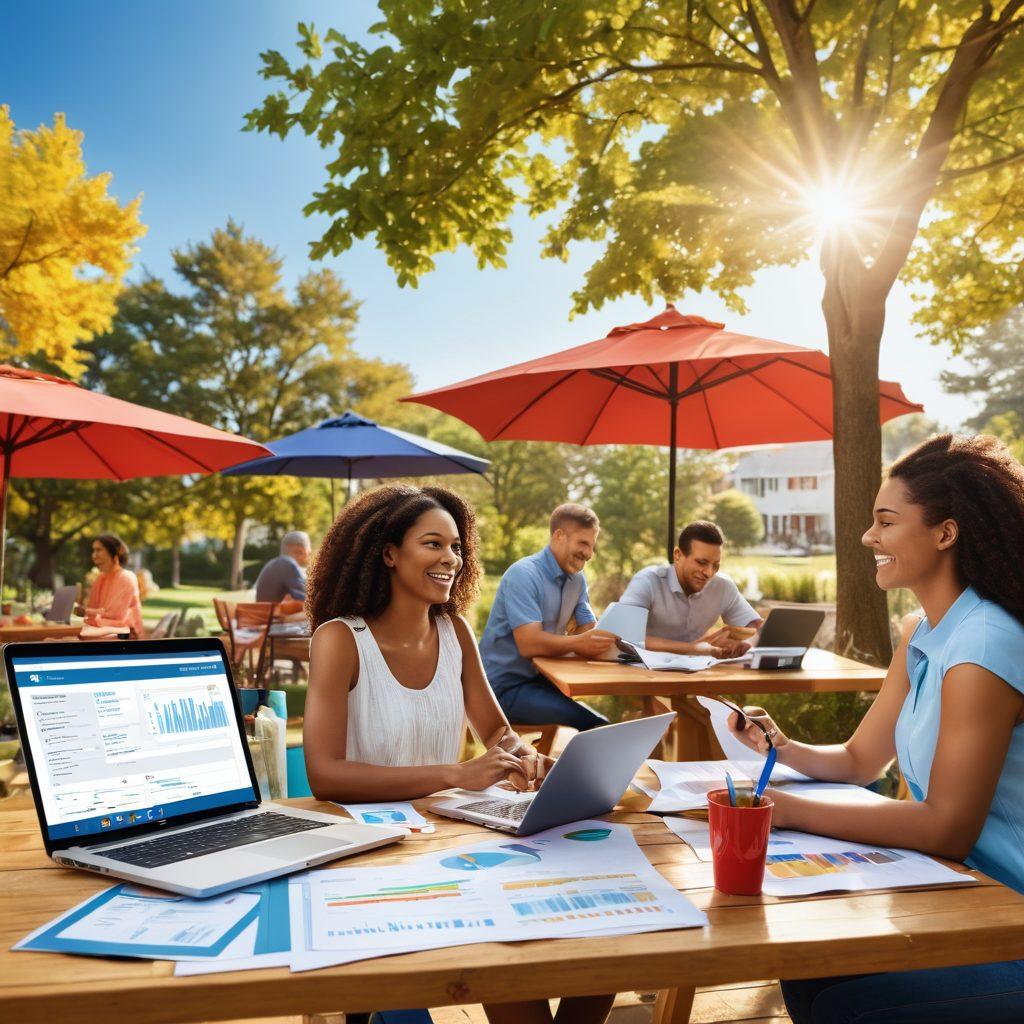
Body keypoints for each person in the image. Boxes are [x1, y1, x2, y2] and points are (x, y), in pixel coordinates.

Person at [727, 434, 1024, 1024]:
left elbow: (946, 827)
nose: (868, 537)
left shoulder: (985, 644)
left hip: (1008, 913)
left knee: (849, 1005)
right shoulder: (921, 632)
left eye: (886, 522)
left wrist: (781, 810)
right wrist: (783, 746)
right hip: (957, 892)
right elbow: (861, 760)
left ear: (946, 532)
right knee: (807, 961)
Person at [303, 485, 614, 1024]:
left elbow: (495, 729)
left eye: (456, 546)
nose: (451, 558)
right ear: (388, 553)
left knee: (607, 945)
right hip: (370, 855)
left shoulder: (454, 632)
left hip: (447, 841)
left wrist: (523, 759)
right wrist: (456, 774)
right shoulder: (341, 639)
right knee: (503, 951)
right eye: (432, 544)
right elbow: (325, 775)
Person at [480, 503, 615, 732]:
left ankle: (565, 768)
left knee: (601, 725)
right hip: (500, 688)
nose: (589, 554)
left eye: (592, 546)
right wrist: (580, 642)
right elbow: (529, 644)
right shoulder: (524, 574)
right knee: (598, 727)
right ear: (559, 536)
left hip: (540, 680)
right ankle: (574, 769)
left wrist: (608, 636)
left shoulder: (577, 581)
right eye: (583, 543)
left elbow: (587, 630)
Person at [619, 521, 761, 657]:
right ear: (678, 555)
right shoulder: (647, 581)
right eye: (701, 562)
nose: (709, 573)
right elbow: (625, 636)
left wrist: (740, 644)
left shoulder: (723, 586)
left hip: (698, 672)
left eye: (715, 565)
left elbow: (753, 628)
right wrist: (697, 648)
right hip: (643, 672)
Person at [82, 534, 144, 638]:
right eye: (93, 550)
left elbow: (115, 616)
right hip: (103, 633)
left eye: (98, 550)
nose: (94, 555)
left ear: (114, 552)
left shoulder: (126, 577)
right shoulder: (100, 578)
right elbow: (91, 611)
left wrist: (82, 613)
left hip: (125, 639)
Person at [254, 530, 311, 605]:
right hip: (275, 615)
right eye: (309, 552)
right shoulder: (287, 563)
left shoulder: (276, 563)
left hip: (269, 613)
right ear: (301, 550)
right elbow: (308, 598)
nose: (310, 555)